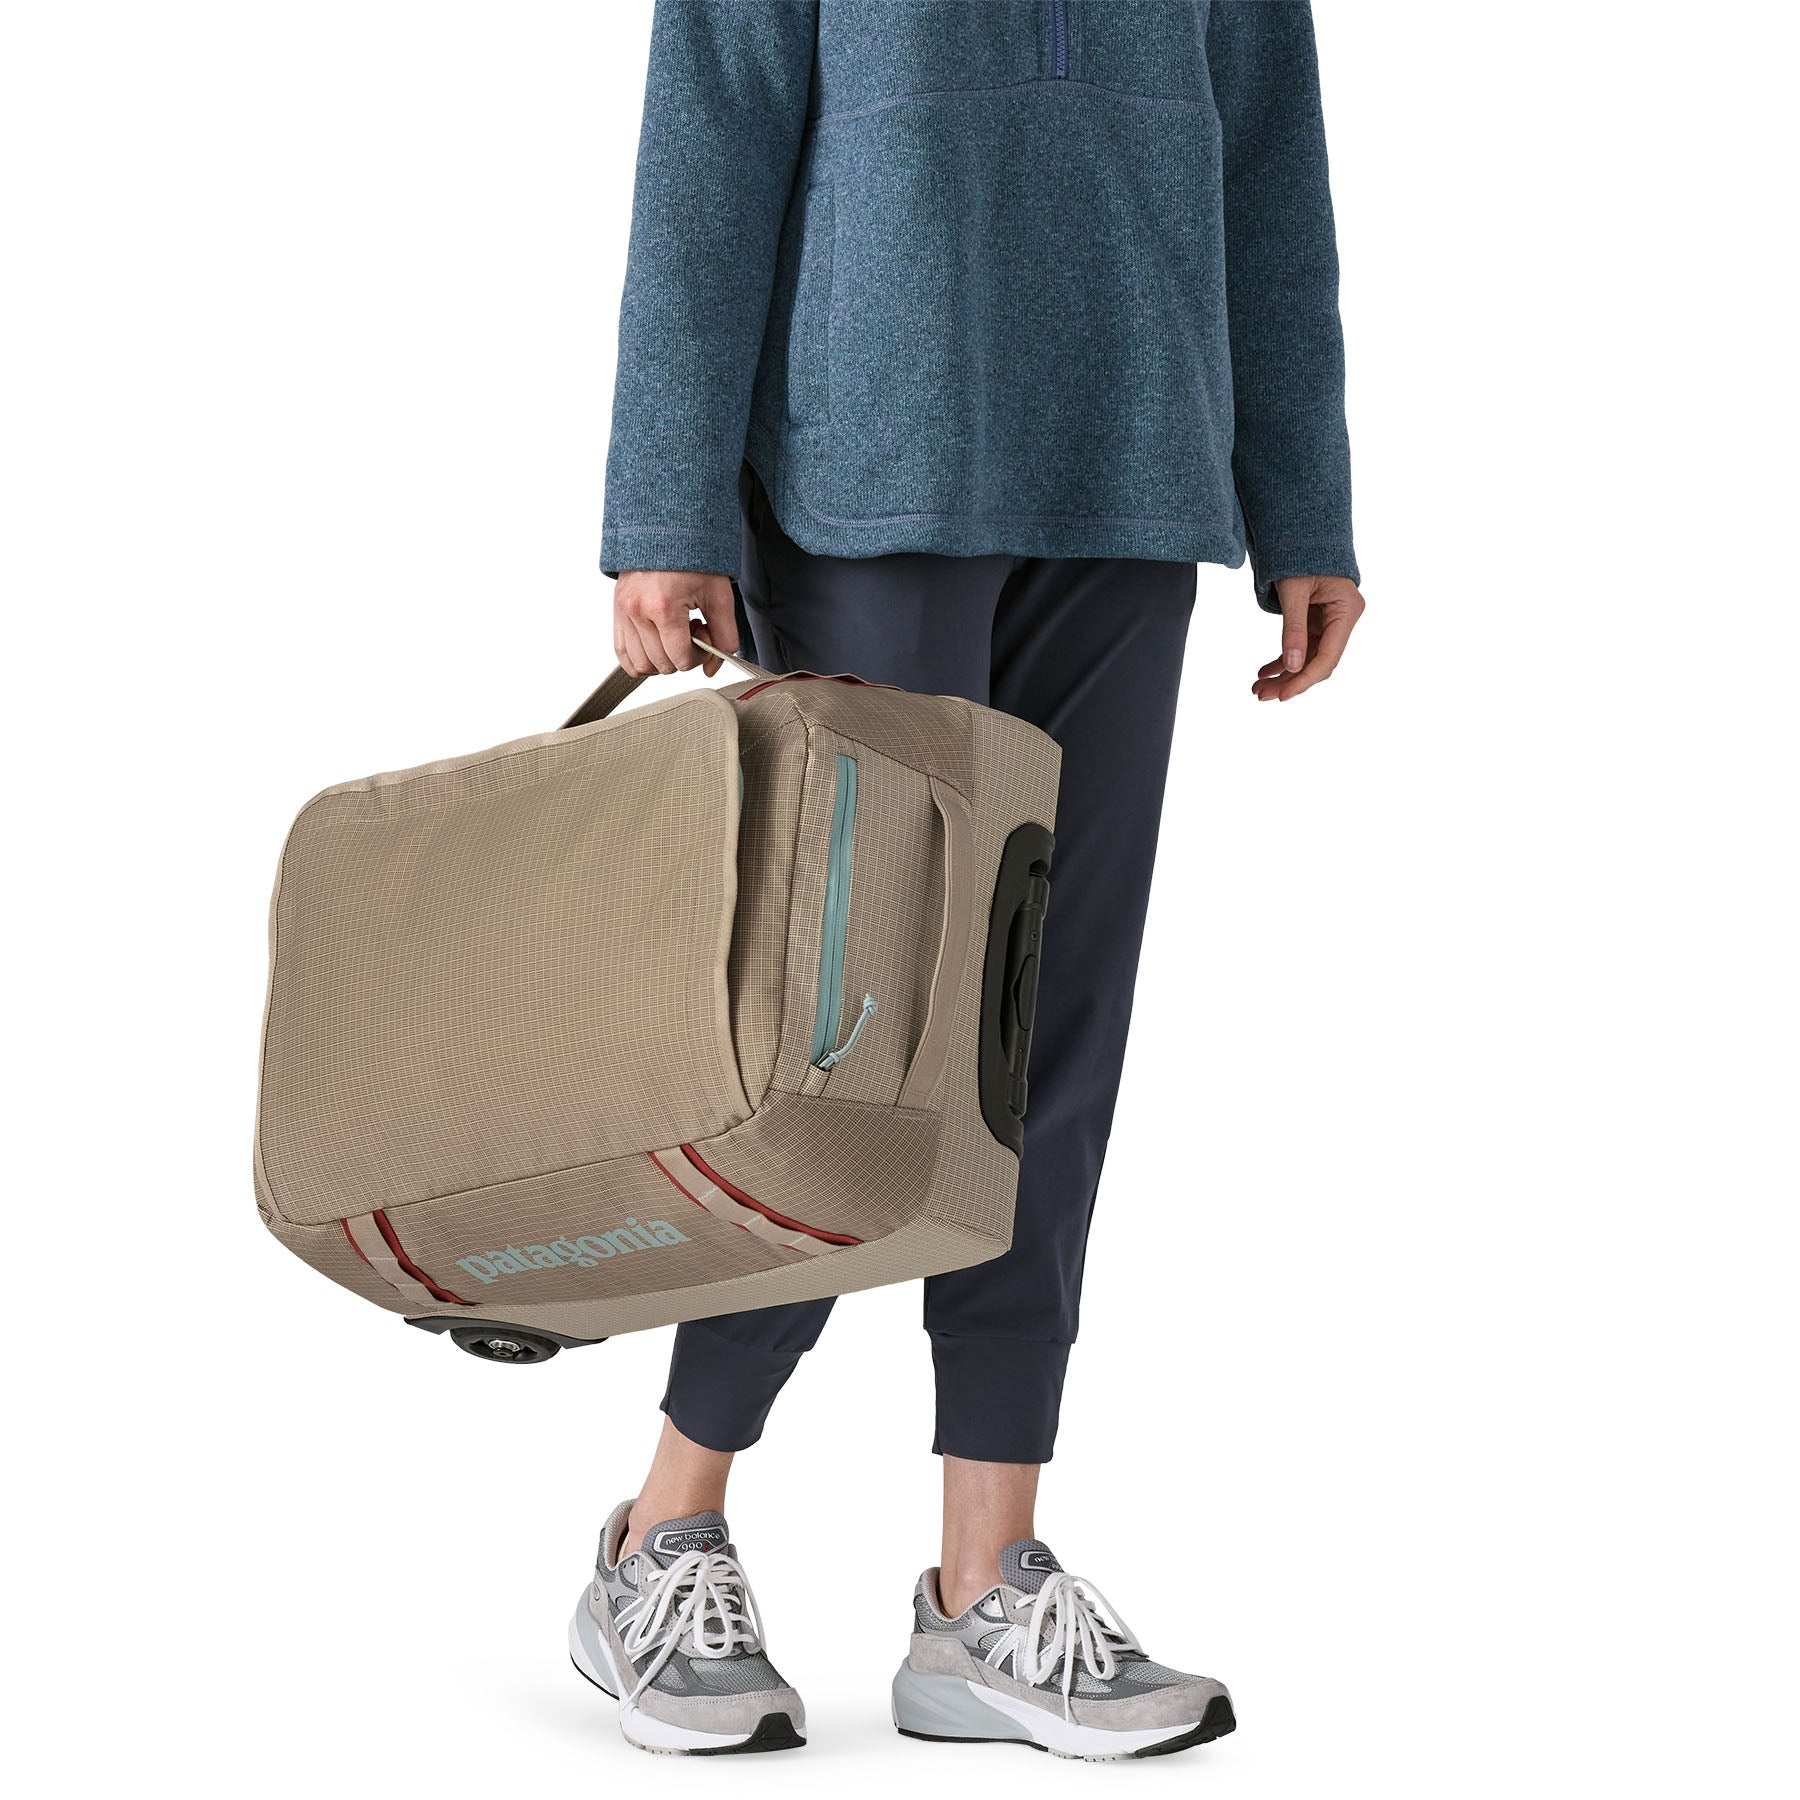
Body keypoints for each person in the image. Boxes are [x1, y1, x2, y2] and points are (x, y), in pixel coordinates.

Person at [573, 0, 1365, 1759]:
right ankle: (664, 1531)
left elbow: (1266, 168)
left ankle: (982, 1590)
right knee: (839, 1046)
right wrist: (665, 503)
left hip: (1133, 474)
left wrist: (1302, 499)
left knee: (1042, 1049)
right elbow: (708, 149)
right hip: (868, 472)